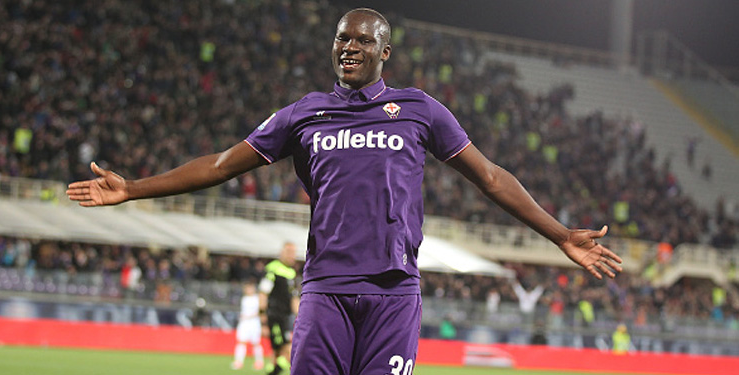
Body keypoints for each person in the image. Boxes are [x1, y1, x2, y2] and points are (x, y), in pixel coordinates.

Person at [66, 8, 623, 374]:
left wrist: (558, 235)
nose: (349, 47)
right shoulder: (304, 115)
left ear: (385, 52)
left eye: (362, 40)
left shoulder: (420, 111)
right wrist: (133, 189)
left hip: (394, 293)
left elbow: (492, 177)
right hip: (326, 290)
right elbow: (218, 165)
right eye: (341, 39)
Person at [259, 242, 300, 375]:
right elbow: (263, 293)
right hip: (274, 315)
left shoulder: (292, 273)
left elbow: (294, 298)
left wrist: (300, 316)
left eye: (293, 252)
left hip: (286, 317)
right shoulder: (273, 269)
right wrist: (263, 317)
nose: (291, 255)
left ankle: (273, 371)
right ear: (281, 253)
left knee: (278, 352)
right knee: (285, 348)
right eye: (288, 252)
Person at [232, 282, 265, 371]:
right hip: (244, 323)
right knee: (241, 342)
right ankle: (238, 361)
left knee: (256, 343)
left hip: (254, 323)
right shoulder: (244, 299)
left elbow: (261, 310)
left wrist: (251, 316)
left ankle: (259, 362)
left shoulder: (257, 298)